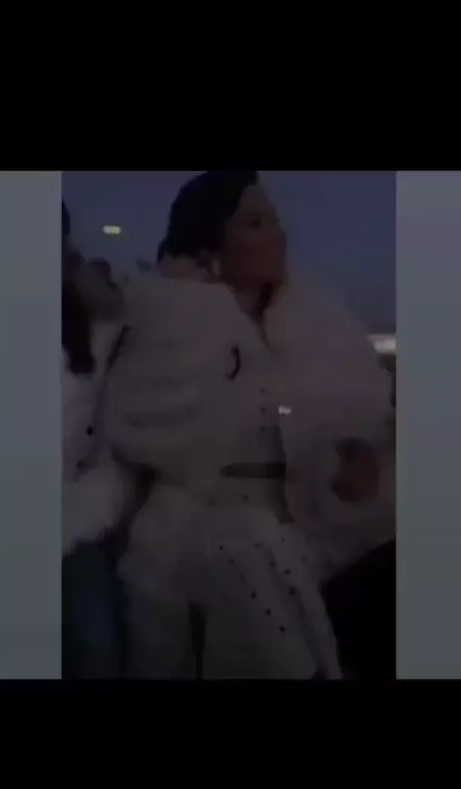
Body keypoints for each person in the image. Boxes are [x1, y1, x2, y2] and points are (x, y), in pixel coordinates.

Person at [105, 171, 395, 679]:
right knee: (250, 549)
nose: (279, 235)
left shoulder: (320, 324)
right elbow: (141, 437)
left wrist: (360, 466)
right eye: (255, 223)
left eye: (275, 220)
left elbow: (365, 423)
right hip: (206, 535)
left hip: (320, 532)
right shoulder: (171, 321)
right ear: (211, 243)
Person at [62, 201, 133, 678]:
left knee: (98, 648)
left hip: (72, 521)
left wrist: (74, 519)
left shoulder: (98, 331)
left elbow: (114, 452)